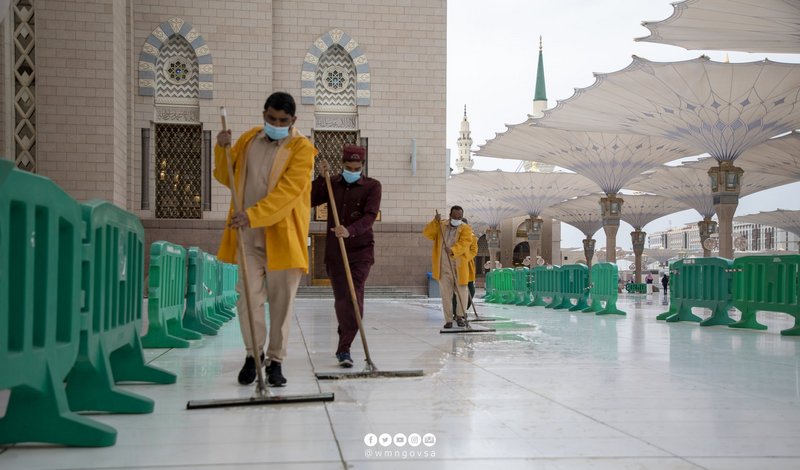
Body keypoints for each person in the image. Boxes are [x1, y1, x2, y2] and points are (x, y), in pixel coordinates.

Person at [213, 91, 317, 387]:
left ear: (293, 120)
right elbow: (226, 176)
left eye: (282, 120)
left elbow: (288, 192)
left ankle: (276, 361)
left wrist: (253, 215)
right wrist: (222, 150)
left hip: (283, 237)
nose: (276, 123)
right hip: (247, 235)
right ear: (264, 114)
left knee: (281, 304)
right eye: (271, 118)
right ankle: (253, 355)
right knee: (248, 300)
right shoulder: (248, 140)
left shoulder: (302, 149)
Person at [310, 144, 382, 368]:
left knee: (354, 296)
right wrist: (321, 178)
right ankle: (344, 346)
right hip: (336, 252)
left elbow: (370, 216)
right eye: (349, 166)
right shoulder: (331, 184)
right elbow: (309, 198)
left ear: (362, 165)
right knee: (342, 300)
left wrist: (350, 230)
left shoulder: (372, 186)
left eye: (357, 166)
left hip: (360, 250)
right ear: (342, 165)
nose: (353, 170)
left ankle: (344, 348)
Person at [424, 206, 474, 328]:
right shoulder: (441, 225)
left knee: (462, 293)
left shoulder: (466, 228)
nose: (457, 219)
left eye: (459, 217)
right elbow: (428, 234)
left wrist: (452, 250)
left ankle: (460, 316)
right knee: (446, 294)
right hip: (444, 267)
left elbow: (465, 243)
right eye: (455, 217)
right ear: (450, 215)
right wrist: (434, 222)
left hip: (459, 267)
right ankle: (448, 320)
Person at [452, 218, 478, 313]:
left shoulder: (472, 237)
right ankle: (455, 312)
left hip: (467, 266)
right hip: (455, 266)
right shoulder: (453, 237)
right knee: (455, 291)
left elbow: (474, 251)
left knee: (471, 290)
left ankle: (462, 310)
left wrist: (465, 257)